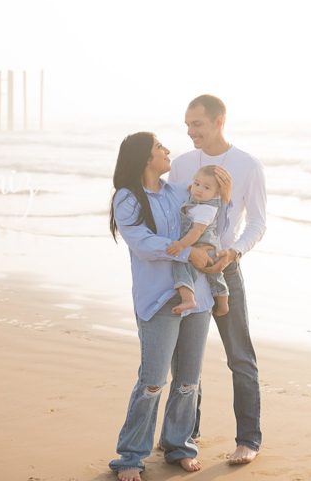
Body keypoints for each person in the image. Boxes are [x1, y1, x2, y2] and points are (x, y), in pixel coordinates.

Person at [108, 132, 231, 481]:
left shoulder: (179, 190)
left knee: (189, 381)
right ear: (146, 157)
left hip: (199, 295)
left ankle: (179, 445)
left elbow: (210, 223)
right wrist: (187, 250)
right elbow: (141, 243)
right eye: (160, 147)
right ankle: (130, 456)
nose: (167, 151)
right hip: (158, 298)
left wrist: (225, 194)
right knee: (152, 382)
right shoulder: (127, 198)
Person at [168, 94, 266, 466]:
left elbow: (257, 221)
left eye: (197, 124)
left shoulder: (247, 166)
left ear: (218, 121)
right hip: (187, 269)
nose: (191, 131)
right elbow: (172, 213)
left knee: (239, 356)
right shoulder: (180, 165)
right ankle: (185, 433)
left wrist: (235, 251)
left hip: (225, 268)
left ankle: (248, 439)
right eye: (187, 125)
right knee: (186, 360)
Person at [164, 166, 229, 316]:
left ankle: (188, 299)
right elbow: (196, 192)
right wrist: (193, 189)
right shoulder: (203, 199)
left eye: (206, 187)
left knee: (182, 265)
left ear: (217, 193)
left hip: (204, 245)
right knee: (215, 275)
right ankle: (223, 303)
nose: (199, 190)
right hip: (211, 245)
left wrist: (181, 245)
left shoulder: (206, 209)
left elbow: (196, 231)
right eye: (197, 184)